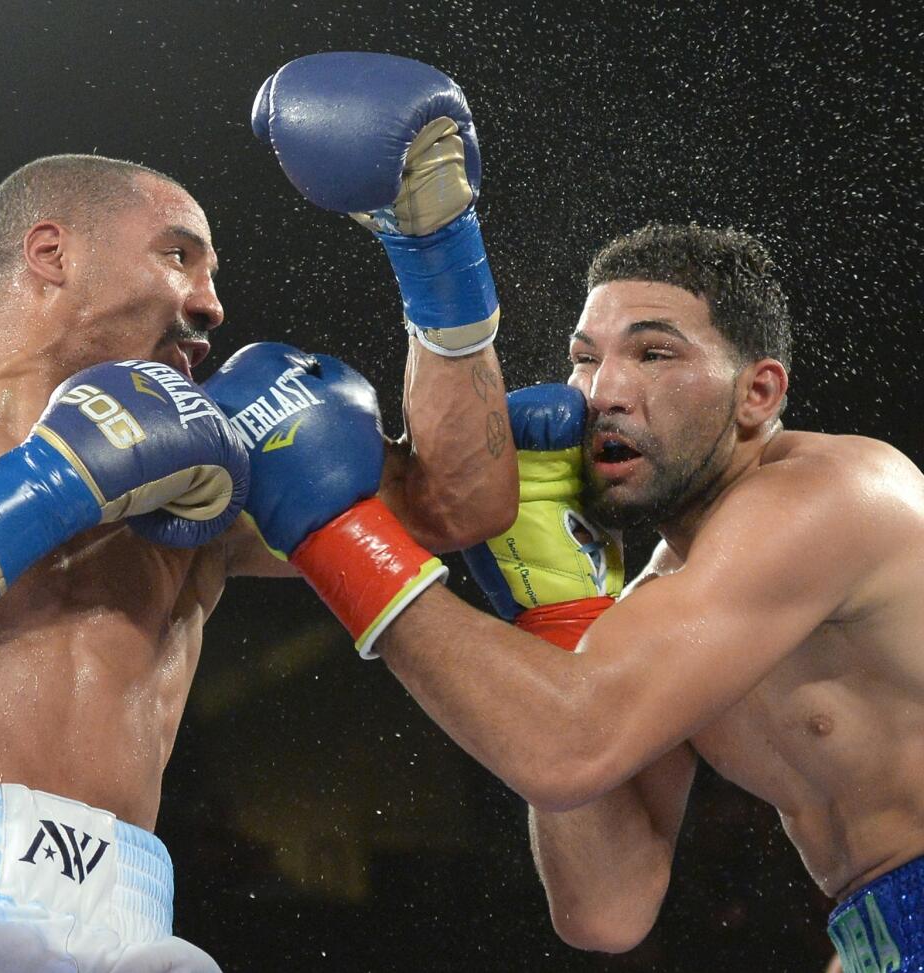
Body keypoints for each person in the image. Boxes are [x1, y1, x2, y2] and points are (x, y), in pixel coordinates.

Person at [0, 55, 517, 973]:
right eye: (179, 253)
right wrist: (56, 481)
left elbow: (456, 503)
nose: (210, 302)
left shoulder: (206, 474)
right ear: (51, 253)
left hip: (131, 927)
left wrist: (436, 249)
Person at [214, 221, 924, 972]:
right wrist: (559, 616)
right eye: (584, 359)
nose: (602, 391)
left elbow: (568, 745)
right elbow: (605, 906)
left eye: (654, 353)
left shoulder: (833, 494)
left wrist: (339, 534)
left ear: (758, 392)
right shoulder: (662, 595)